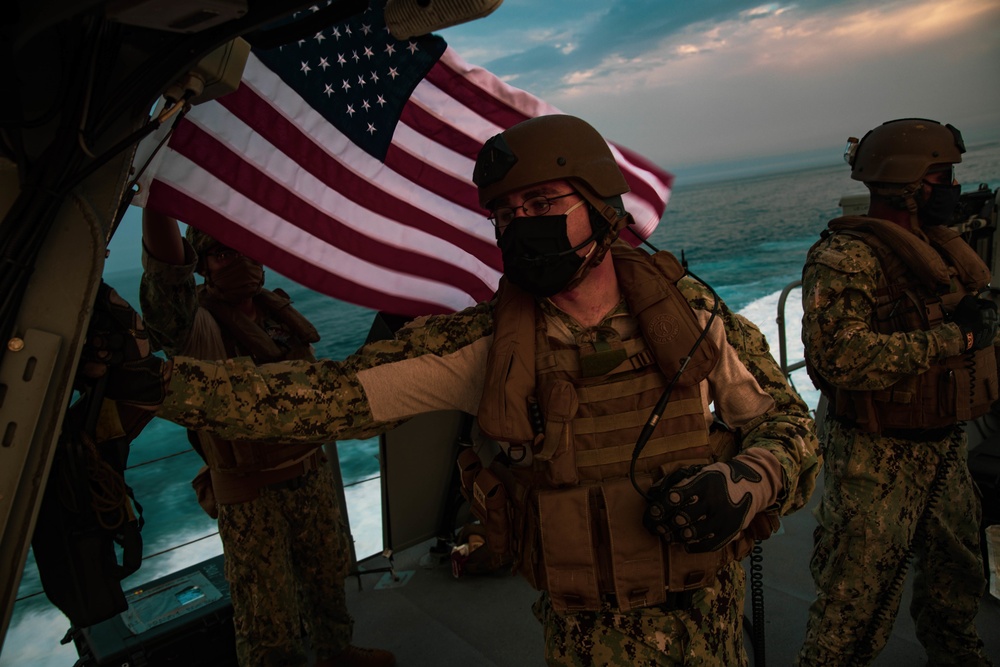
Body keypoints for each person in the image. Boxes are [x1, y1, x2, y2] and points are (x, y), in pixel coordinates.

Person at [91, 114, 819, 666]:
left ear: (601, 204)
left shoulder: (686, 310)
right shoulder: (487, 345)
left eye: (541, 202)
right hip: (587, 636)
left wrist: (751, 480)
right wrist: (160, 383)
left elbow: (789, 425)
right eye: (505, 214)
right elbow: (325, 395)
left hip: (709, 619)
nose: (519, 225)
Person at [137, 208, 395, 667]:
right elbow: (165, 278)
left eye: (242, 247)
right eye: (220, 253)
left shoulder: (277, 313)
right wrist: (158, 200)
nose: (236, 260)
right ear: (202, 265)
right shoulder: (200, 327)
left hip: (310, 472)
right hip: (250, 493)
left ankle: (336, 653)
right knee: (267, 614)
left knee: (326, 576)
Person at [796, 118, 997, 666]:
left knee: (957, 581)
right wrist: (952, 338)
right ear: (908, 184)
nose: (952, 187)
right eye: (943, 176)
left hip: (942, 447)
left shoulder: (936, 250)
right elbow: (838, 359)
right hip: (874, 458)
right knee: (853, 608)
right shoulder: (846, 259)